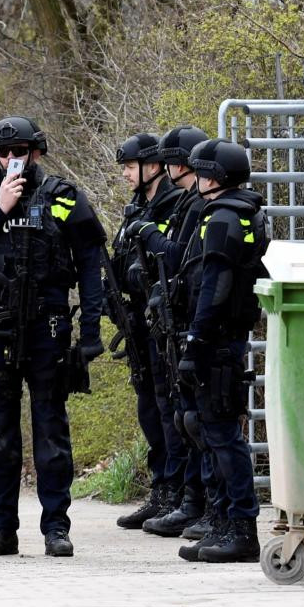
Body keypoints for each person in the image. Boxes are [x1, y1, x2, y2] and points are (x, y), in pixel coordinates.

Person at [0, 116, 106, 557]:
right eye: (4, 152)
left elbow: (92, 262)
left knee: (51, 430)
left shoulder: (63, 197)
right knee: (0, 434)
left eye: (19, 151)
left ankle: (56, 527)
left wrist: (90, 332)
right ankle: (1, 529)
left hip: (48, 328)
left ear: (36, 152)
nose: (11, 160)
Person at [175, 139, 269, 562]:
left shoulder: (222, 217)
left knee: (221, 434)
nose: (193, 179)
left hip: (217, 339)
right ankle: (223, 520)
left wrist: (196, 338)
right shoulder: (242, 211)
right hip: (225, 336)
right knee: (210, 429)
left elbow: (215, 284)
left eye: (198, 172)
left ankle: (241, 528)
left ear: (211, 176)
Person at [126, 126, 220, 541]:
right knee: (169, 413)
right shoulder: (182, 205)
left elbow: (180, 259)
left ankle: (199, 504)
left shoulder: (194, 207)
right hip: (161, 320)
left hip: (193, 326)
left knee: (191, 419)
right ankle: (185, 498)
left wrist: (147, 234)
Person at [108, 133, 188, 533]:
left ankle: (176, 490)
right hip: (138, 319)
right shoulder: (136, 207)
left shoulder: (173, 205)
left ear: (153, 166)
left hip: (163, 319)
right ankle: (161, 488)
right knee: (149, 406)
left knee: (168, 404)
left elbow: (169, 260)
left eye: (129, 166)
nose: (124, 173)